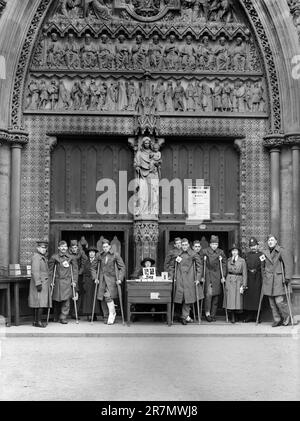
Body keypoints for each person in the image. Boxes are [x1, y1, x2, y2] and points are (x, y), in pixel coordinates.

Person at [169, 238, 203, 325]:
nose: (184, 247)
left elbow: (199, 266)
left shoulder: (193, 254)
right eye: (183, 245)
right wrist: (171, 277)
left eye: (186, 245)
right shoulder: (177, 254)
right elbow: (172, 266)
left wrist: (198, 279)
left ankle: (184, 316)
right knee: (181, 297)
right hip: (179, 277)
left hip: (190, 278)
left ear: (188, 245)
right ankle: (183, 316)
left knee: (188, 297)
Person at [261, 235, 293, 327]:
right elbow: (262, 266)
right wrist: (264, 276)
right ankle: (277, 319)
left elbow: (288, 264)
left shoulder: (281, 251)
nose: (270, 242)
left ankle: (287, 317)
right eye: (269, 240)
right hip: (269, 280)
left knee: (279, 301)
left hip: (279, 279)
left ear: (276, 241)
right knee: (271, 302)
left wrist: (287, 278)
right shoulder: (265, 252)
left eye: (272, 240)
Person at [96, 239, 126, 325]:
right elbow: (93, 267)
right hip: (102, 280)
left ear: (109, 246)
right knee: (102, 298)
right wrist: (95, 277)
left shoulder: (115, 255)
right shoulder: (99, 255)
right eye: (103, 247)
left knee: (108, 296)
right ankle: (106, 316)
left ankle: (112, 313)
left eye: (106, 246)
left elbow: (122, 267)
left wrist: (120, 278)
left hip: (112, 280)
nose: (105, 248)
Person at [48, 240, 78, 324]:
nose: (63, 248)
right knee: (57, 299)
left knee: (66, 300)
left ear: (67, 248)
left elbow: (75, 271)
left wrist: (74, 280)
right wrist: (51, 281)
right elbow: (50, 271)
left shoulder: (71, 258)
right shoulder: (54, 257)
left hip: (67, 281)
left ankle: (63, 317)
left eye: (65, 246)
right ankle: (56, 315)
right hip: (57, 281)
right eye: (62, 246)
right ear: (59, 248)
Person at [201, 235, 226, 322]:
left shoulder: (221, 252)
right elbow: (201, 264)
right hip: (208, 275)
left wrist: (223, 275)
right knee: (208, 295)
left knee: (216, 296)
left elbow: (224, 263)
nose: (214, 246)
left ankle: (213, 314)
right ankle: (207, 313)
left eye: (216, 244)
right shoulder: (205, 251)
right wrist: (202, 276)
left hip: (218, 275)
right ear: (210, 244)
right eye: (213, 244)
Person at [28, 240, 51, 328]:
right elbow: (35, 271)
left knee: (39, 303)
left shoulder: (41, 257)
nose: (44, 249)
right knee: (40, 303)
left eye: (45, 248)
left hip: (43, 282)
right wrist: (38, 283)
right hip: (40, 283)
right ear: (38, 248)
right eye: (42, 247)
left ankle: (36, 321)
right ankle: (38, 322)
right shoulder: (36, 257)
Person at [224, 244, 247, 323]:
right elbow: (226, 271)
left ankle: (237, 316)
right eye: (233, 251)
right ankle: (232, 316)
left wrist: (244, 285)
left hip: (238, 280)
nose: (234, 252)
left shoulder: (242, 261)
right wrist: (224, 278)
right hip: (229, 280)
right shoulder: (228, 260)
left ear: (238, 252)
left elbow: (244, 273)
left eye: (236, 251)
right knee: (230, 299)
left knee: (237, 299)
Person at [243, 237, 263, 322]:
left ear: (257, 245)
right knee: (249, 297)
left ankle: (256, 316)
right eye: (251, 246)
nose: (253, 247)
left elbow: (263, 267)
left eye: (254, 245)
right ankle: (249, 316)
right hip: (249, 278)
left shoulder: (261, 255)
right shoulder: (246, 255)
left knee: (257, 297)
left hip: (258, 278)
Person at [69, 239, 87, 319]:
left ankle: (75, 312)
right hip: (71, 276)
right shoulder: (68, 254)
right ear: (70, 248)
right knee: (71, 293)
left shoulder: (81, 253)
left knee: (78, 294)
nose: (74, 249)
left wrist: (80, 271)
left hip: (79, 277)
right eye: (73, 247)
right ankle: (70, 312)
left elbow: (85, 261)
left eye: (75, 247)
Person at [82, 246, 100, 321]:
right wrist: (84, 282)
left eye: (93, 252)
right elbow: (84, 272)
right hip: (88, 281)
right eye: (90, 252)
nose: (91, 254)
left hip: (95, 281)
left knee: (95, 298)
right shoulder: (86, 262)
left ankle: (94, 314)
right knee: (88, 298)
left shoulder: (98, 262)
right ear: (88, 254)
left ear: (95, 254)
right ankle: (89, 314)